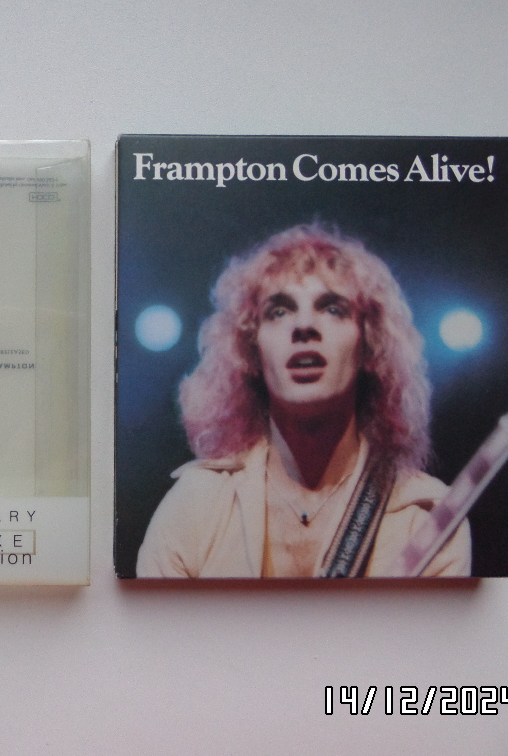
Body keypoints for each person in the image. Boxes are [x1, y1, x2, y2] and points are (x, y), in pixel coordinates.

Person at [137, 224, 470, 578]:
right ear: (250, 352)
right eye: (279, 311)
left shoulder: (428, 521)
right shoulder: (194, 508)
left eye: (333, 309)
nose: (304, 325)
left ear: (370, 347)